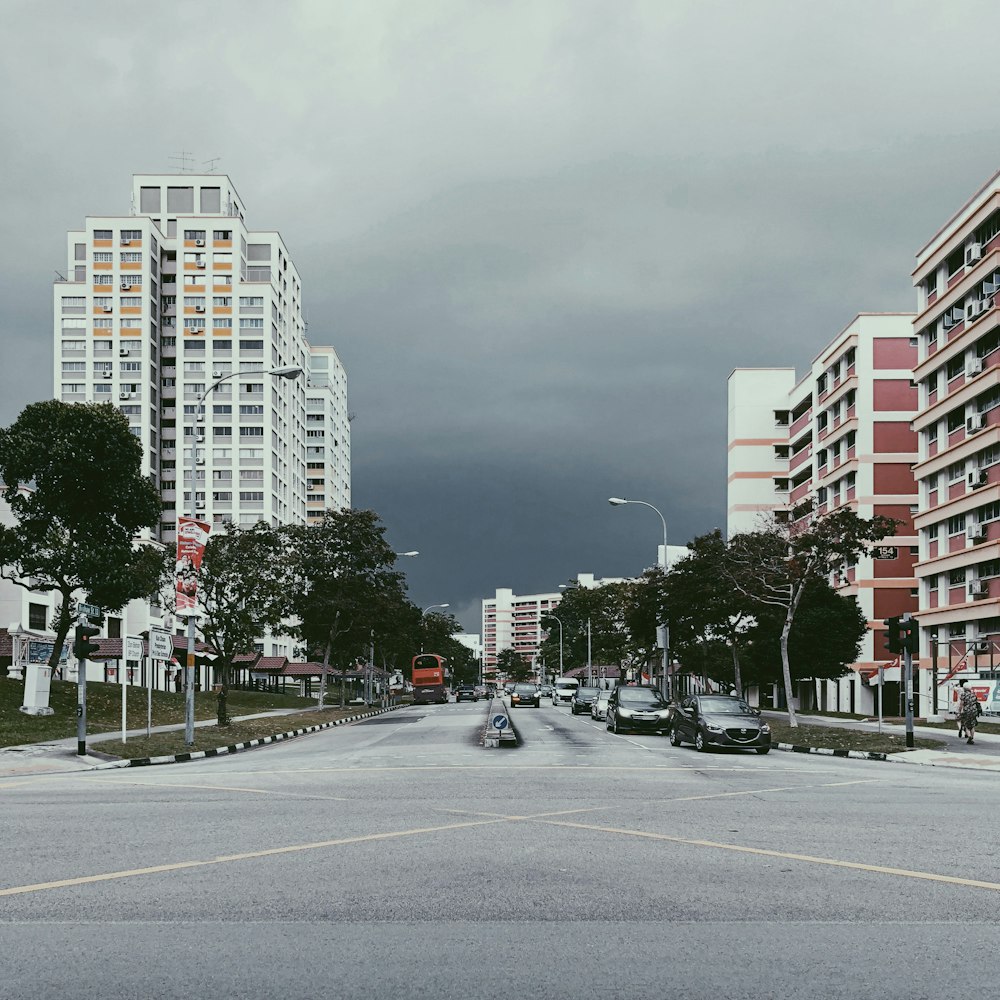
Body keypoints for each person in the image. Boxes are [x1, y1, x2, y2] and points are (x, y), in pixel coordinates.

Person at [957, 679, 979, 745]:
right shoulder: (973, 695)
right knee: (972, 725)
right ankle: (972, 737)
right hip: (974, 711)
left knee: (966, 725)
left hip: (967, 711)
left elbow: (961, 704)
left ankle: (969, 736)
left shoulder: (963, 695)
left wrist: (959, 710)